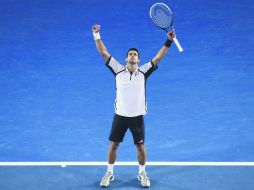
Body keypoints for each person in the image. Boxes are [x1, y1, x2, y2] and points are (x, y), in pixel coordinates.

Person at [92, 24, 175, 188]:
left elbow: (158, 58)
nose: (132, 56)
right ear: (126, 59)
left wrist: (168, 41)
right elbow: (104, 53)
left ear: (138, 59)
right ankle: (109, 172)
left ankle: (142, 173)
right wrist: (96, 34)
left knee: (140, 146)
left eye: (135, 54)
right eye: (130, 54)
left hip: (137, 117)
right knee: (113, 145)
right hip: (120, 116)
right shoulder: (118, 70)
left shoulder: (144, 72)